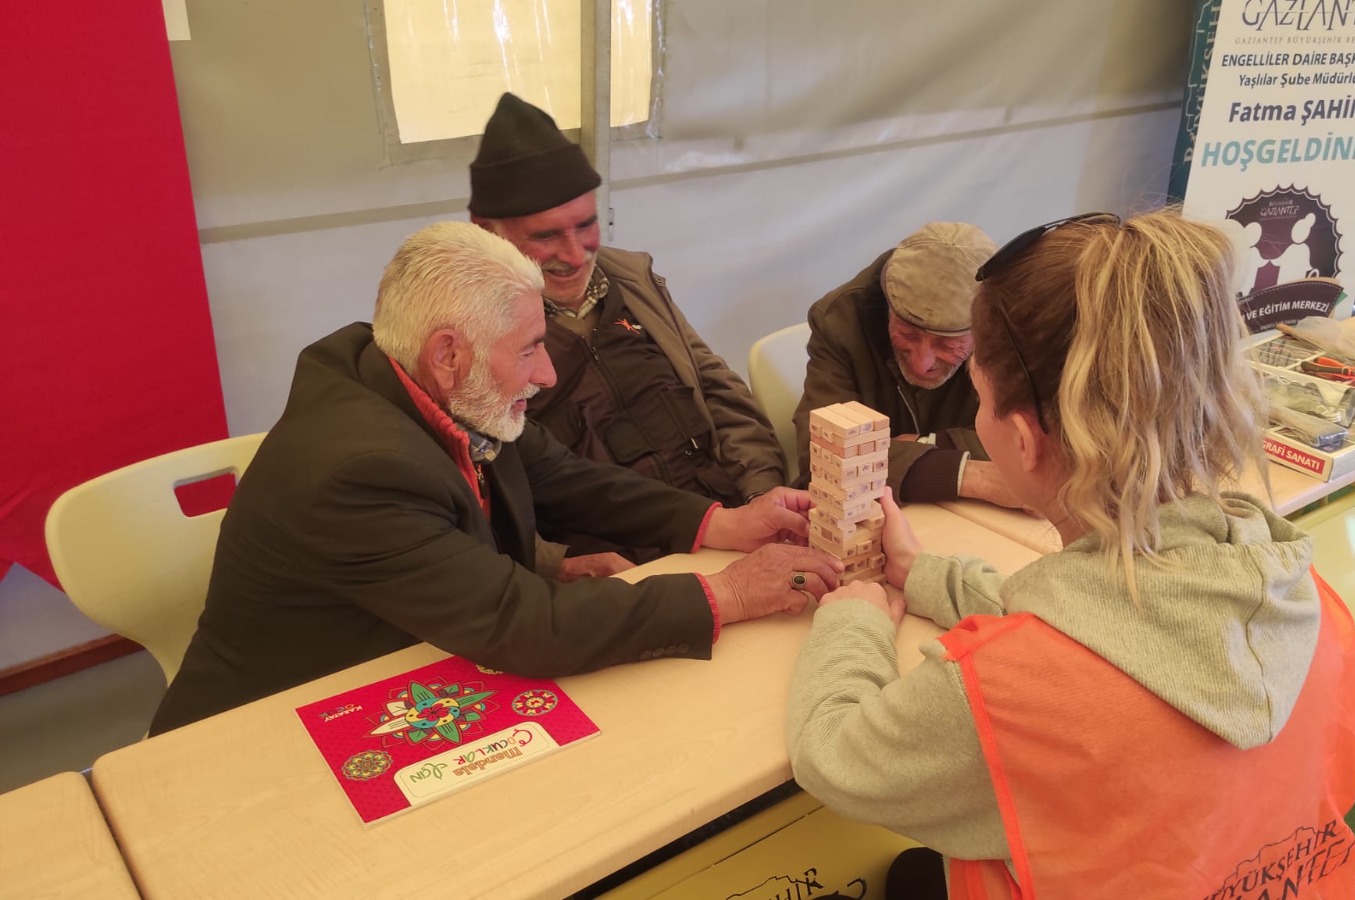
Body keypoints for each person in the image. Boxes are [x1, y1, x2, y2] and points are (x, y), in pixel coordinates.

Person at [786, 210, 1355, 898]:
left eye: (977, 395)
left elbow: (833, 757)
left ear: (1023, 441)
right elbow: (1114, 624)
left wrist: (852, 619)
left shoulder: (999, 697)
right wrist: (925, 573)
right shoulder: (1316, 610)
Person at [150, 222, 841, 735]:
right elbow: (525, 624)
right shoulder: (355, 471)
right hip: (263, 734)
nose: (545, 375)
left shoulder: (410, 371)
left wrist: (720, 523)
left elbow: (560, 475)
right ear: (448, 353)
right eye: (532, 349)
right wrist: (729, 592)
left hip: (397, 670)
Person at [468, 92, 786, 574]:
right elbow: (477, 493)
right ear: (487, 231)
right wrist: (557, 564)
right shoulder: (467, 335)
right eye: (546, 235)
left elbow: (719, 393)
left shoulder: (634, 281)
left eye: (586, 225)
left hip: (727, 524)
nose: (575, 255)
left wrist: (761, 493)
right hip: (617, 569)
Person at [793, 222, 1022, 507]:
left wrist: (929, 443)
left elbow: (1038, 439)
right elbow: (823, 457)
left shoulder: (1016, 323)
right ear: (887, 306)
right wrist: (969, 474)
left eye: (946, 344)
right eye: (907, 333)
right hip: (874, 509)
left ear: (986, 327)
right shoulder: (841, 321)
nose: (921, 362)